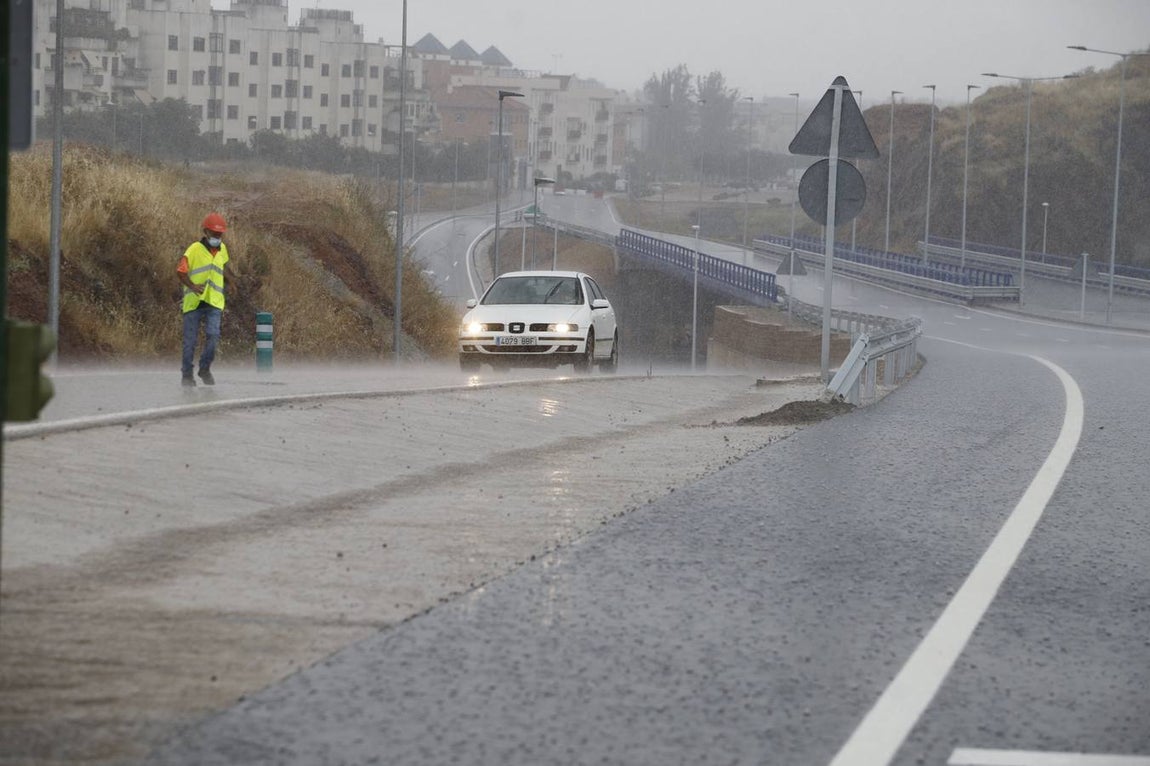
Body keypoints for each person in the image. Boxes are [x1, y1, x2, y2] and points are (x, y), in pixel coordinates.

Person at [177, 212, 233, 386]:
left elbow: (222, 267)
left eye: (220, 235)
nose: (218, 237)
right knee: (190, 342)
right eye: (215, 234)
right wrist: (192, 286)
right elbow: (180, 271)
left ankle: (204, 368)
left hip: (214, 301)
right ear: (205, 232)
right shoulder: (194, 249)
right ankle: (187, 375)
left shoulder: (222, 249)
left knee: (213, 336)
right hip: (194, 302)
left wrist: (231, 282)